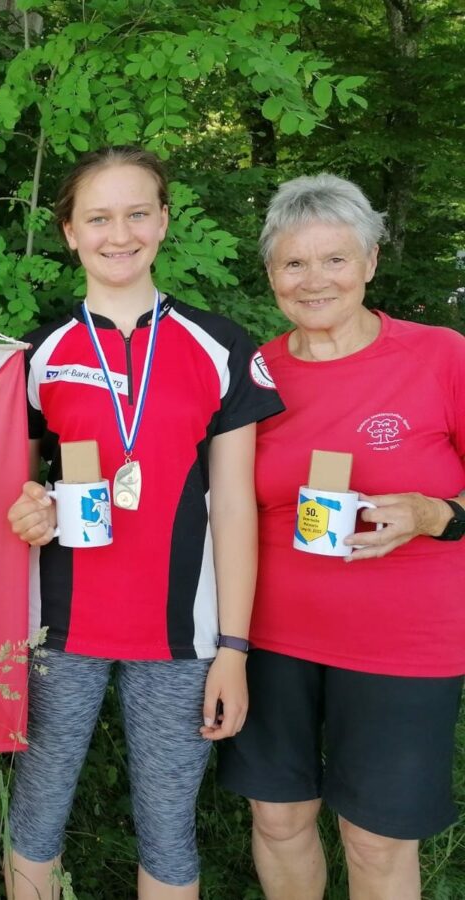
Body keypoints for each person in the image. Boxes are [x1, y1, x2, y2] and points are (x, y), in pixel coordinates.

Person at [4, 146, 284, 899]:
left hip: (181, 633)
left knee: (168, 825)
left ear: (163, 222)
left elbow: (234, 507)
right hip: (56, 631)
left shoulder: (220, 344)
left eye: (136, 213)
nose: (117, 233)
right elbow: (14, 489)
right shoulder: (36, 354)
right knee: (36, 816)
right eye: (97, 217)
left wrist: (234, 648)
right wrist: (26, 508)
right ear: (68, 231)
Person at [217, 174, 465, 900]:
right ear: (270, 274)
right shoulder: (252, 372)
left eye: (335, 259)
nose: (314, 280)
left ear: (371, 263)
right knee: (279, 821)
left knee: (376, 839)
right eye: (294, 263)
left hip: (403, 646)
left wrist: (431, 513)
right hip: (270, 640)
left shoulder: (439, 355)